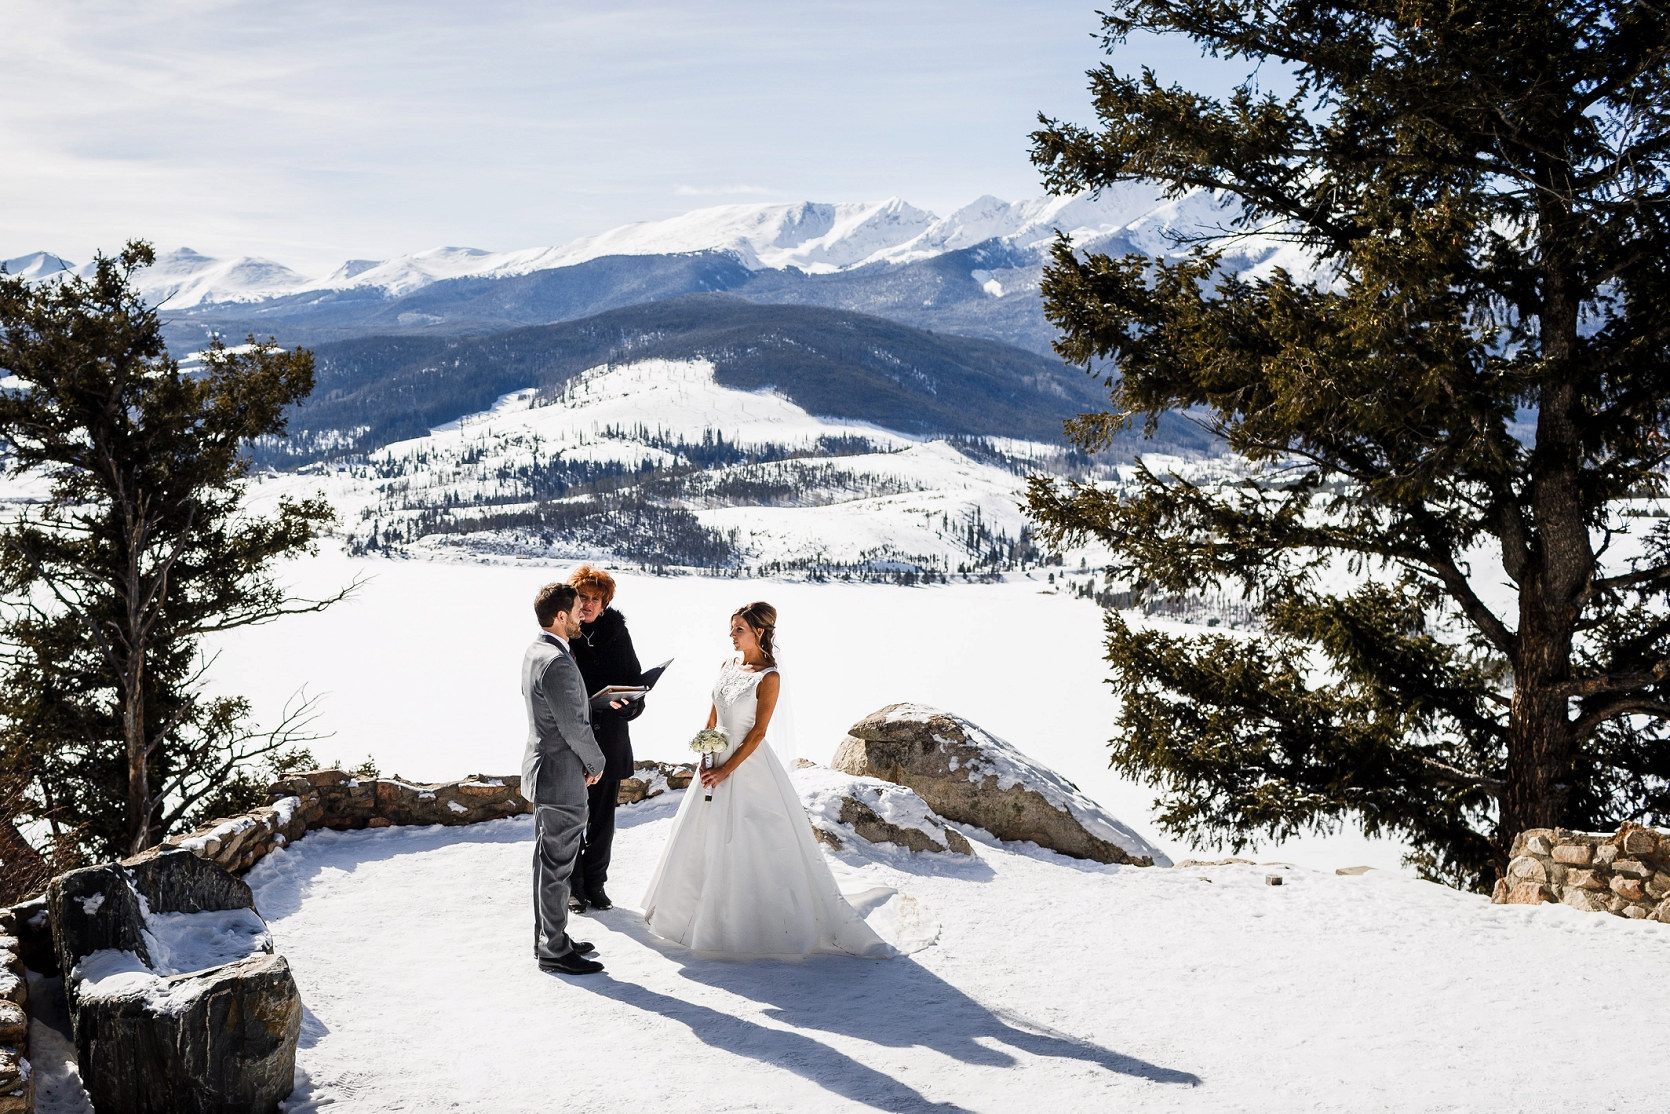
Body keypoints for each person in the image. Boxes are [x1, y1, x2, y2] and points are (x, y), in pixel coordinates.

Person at [641, 602, 895, 958]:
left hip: (747, 765)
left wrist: (726, 770)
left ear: (759, 632)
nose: (731, 635)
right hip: (714, 758)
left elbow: (758, 732)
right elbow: (713, 713)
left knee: (748, 838)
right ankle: (686, 913)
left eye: (738, 629)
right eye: (731, 628)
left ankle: (747, 924)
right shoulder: (727, 664)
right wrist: (705, 752)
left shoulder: (769, 676)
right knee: (700, 835)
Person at [520, 582, 608, 975]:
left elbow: (559, 712)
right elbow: (573, 727)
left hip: (545, 771)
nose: (580, 616)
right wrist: (596, 762)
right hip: (561, 776)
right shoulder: (556, 661)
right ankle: (554, 950)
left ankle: (551, 937)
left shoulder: (537, 651)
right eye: (576, 610)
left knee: (548, 862)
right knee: (556, 866)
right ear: (560, 615)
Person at [566, 564, 644, 913]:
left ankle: (596, 885)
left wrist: (628, 707)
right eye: (583, 596)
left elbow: (634, 687)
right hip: (571, 741)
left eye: (596, 599)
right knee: (571, 818)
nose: (588, 604)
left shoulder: (617, 634)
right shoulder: (562, 631)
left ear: (605, 603)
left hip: (609, 739)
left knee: (602, 821)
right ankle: (573, 886)